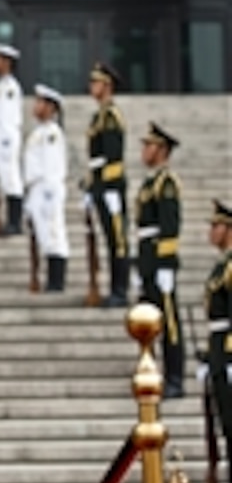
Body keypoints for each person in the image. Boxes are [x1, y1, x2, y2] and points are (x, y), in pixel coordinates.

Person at [135, 123, 184, 399]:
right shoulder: (150, 183)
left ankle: (175, 376)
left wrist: (165, 263)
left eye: (149, 146)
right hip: (147, 257)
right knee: (148, 320)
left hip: (159, 258)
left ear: (162, 150)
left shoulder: (166, 184)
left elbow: (169, 225)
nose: (144, 151)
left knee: (170, 322)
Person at [84, 61, 129, 307]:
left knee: (118, 241)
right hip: (101, 185)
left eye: (96, 83)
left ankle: (120, 290)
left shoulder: (110, 116)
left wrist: (106, 186)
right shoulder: (99, 116)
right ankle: (115, 287)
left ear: (107, 86)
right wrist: (91, 185)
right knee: (110, 239)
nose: (92, 87)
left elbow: (112, 157)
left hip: (111, 186)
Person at [23, 84, 70, 292]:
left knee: (53, 235)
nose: (36, 106)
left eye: (41, 102)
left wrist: (49, 197)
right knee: (43, 235)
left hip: (47, 189)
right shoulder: (40, 132)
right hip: (37, 188)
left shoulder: (51, 134)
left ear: (51, 108)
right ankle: (51, 278)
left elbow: (52, 168)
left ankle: (56, 281)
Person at [201, 200, 232, 483]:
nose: (211, 232)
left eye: (216, 226)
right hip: (219, 351)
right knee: (225, 423)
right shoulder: (223, 266)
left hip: (228, 353)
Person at [0, 44, 24, 235]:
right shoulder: (0, 86)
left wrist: (4, 144)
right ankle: (11, 220)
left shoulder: (10, 88)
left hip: (6, 140)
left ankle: (15, 222)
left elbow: (8, 120)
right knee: (5, 180)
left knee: (11, 180)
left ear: (7, 63)